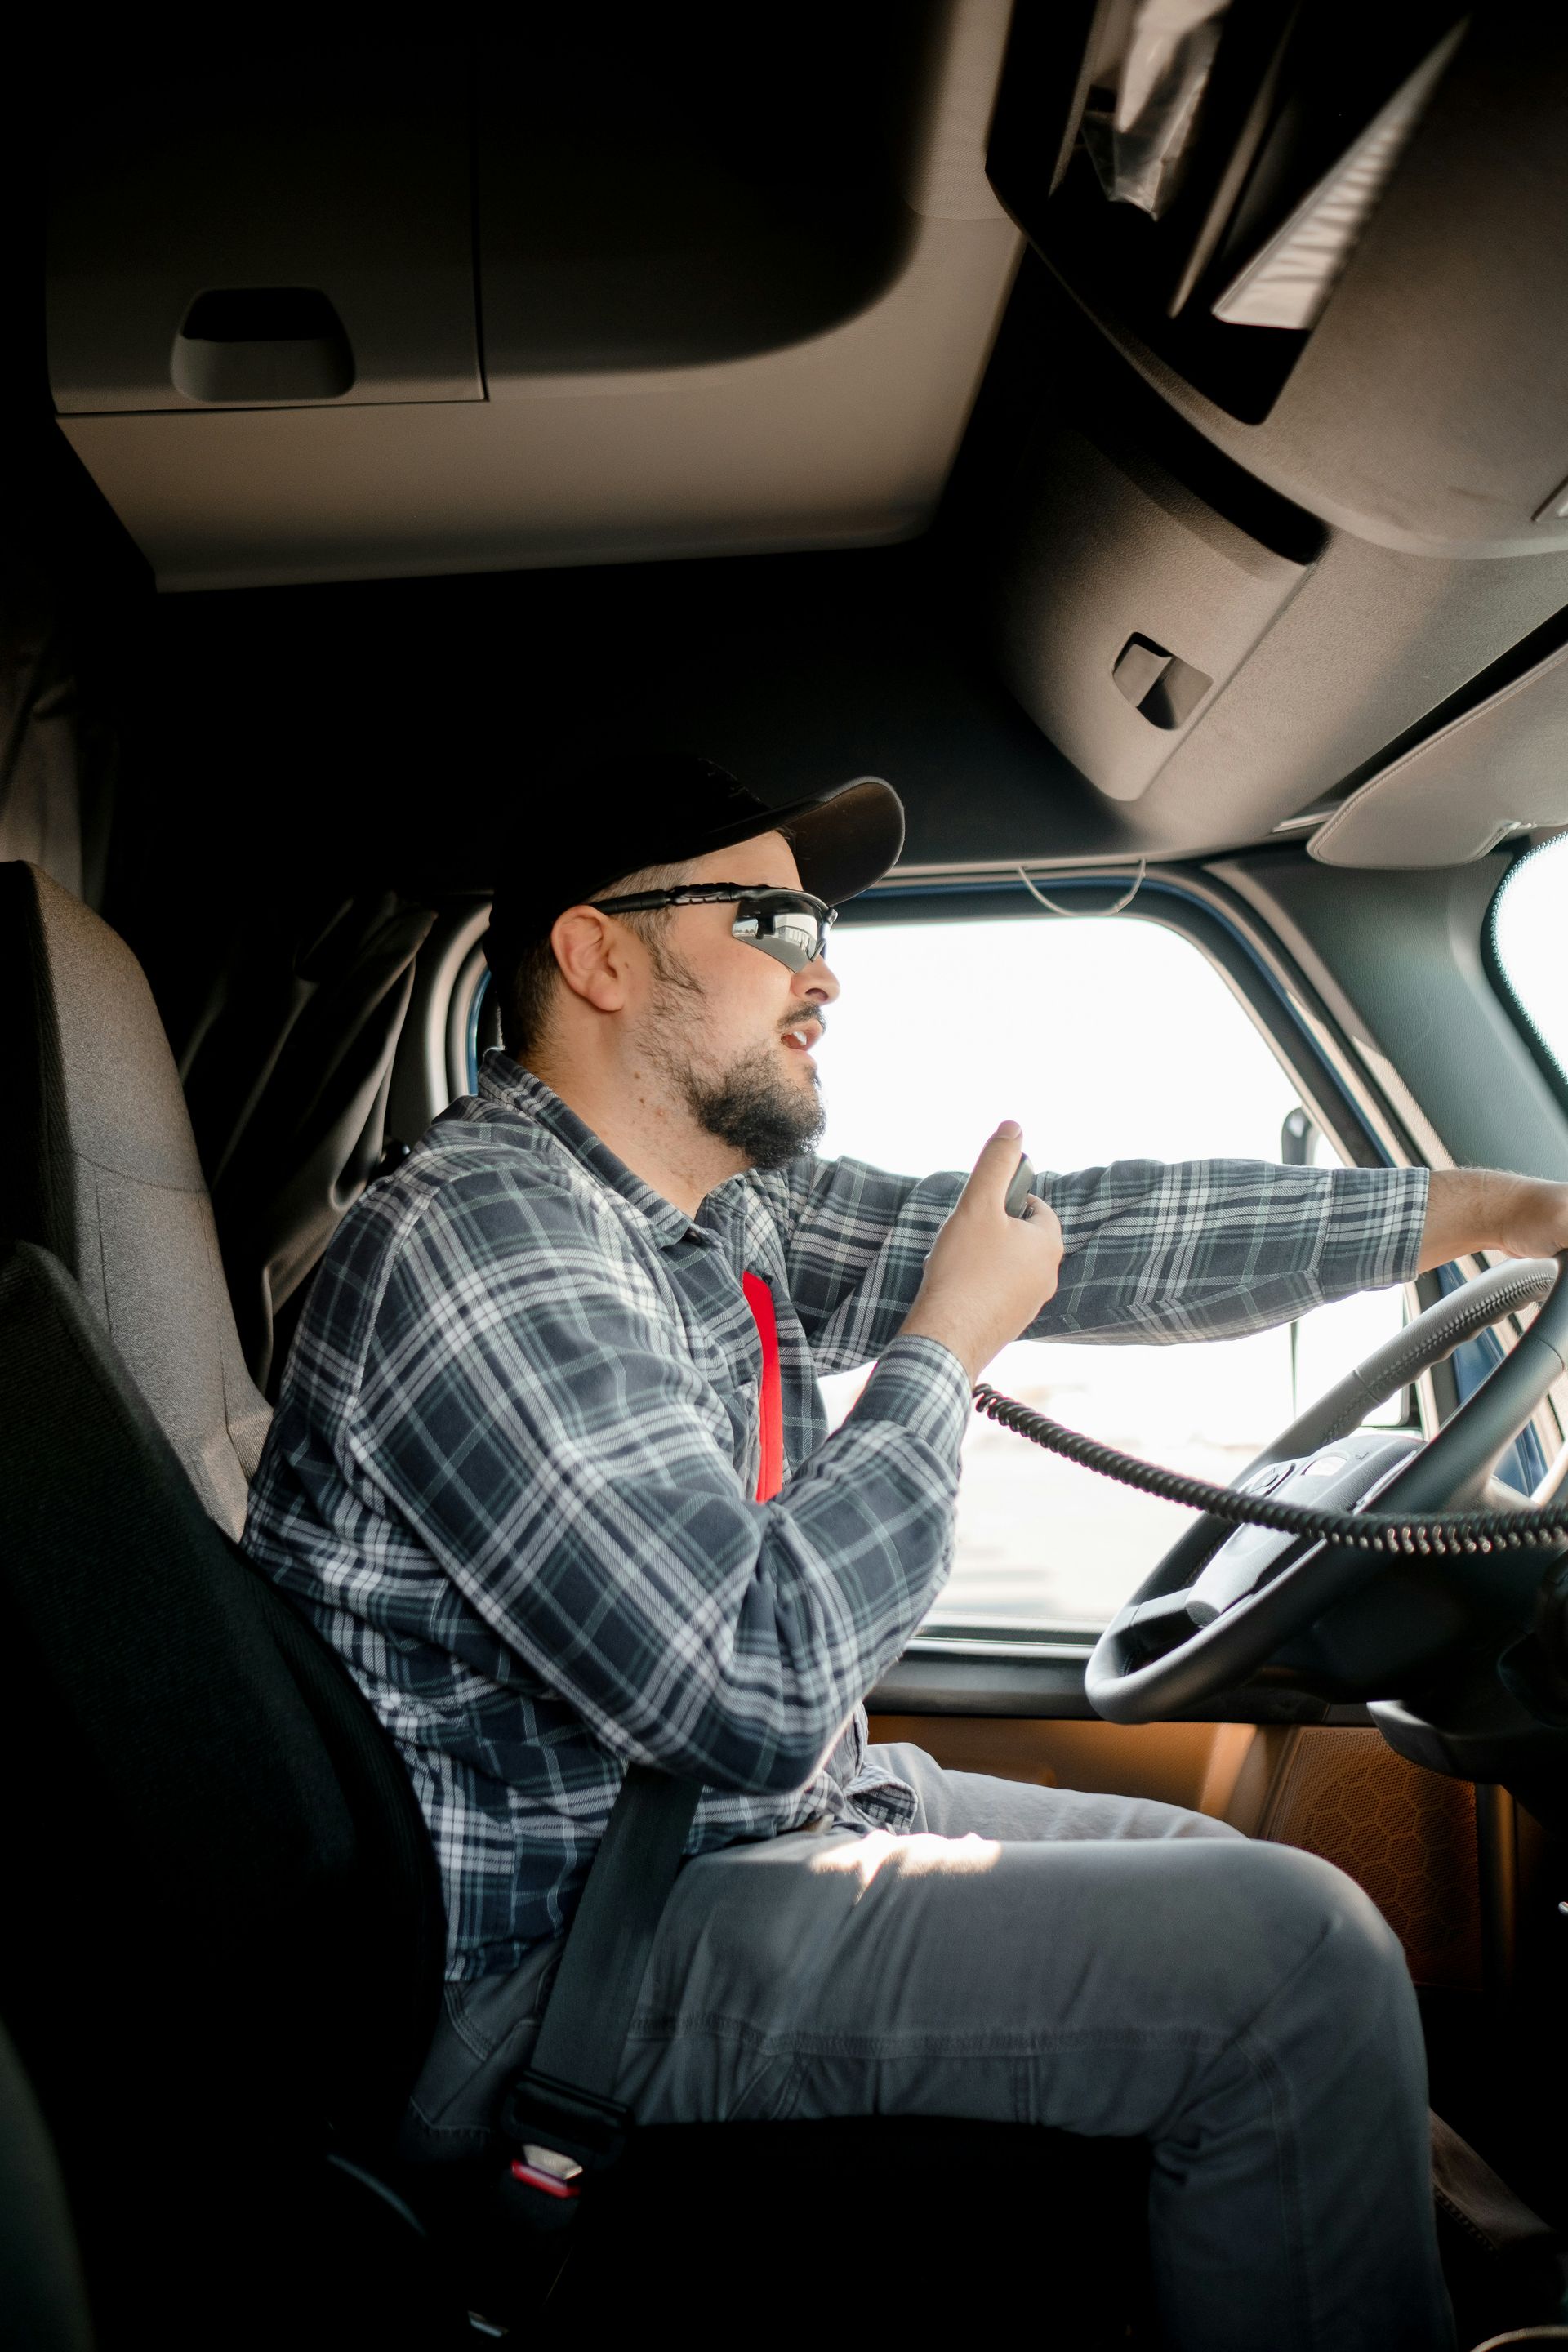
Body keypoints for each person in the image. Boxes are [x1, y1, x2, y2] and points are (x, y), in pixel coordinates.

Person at [244, 753, 1568, 2350]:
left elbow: (1088, 1235)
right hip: (564, 1961)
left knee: (1269, 1890)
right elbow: (748, 1683)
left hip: (730, 1842)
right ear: (595, 957)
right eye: (764, 918)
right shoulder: (485, 1248)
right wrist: (944, 1350)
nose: (824, 969)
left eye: (819, 923)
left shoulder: (712, 1214)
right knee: (1298, 1967)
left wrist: (1495, 1211)